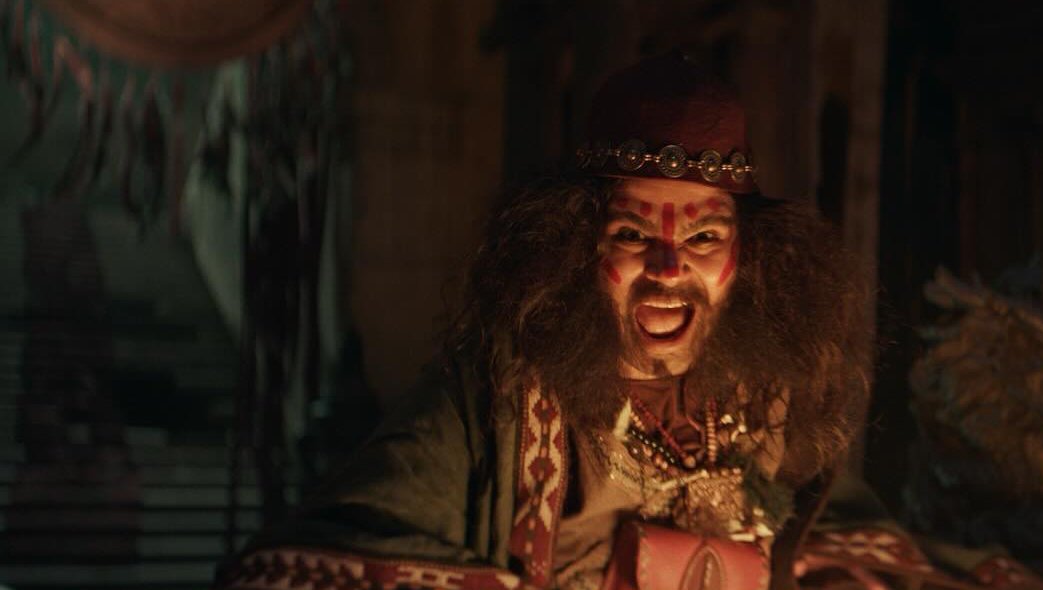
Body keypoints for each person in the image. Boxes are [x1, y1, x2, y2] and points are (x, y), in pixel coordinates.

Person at [215, 53, 1001, 590]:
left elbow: (844, 540)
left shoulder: (764, 394)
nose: (668, 269)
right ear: (576, 246)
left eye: (704, 238)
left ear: (747, 257)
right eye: (631, 234)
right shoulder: (499, 400)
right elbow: (292, 570)